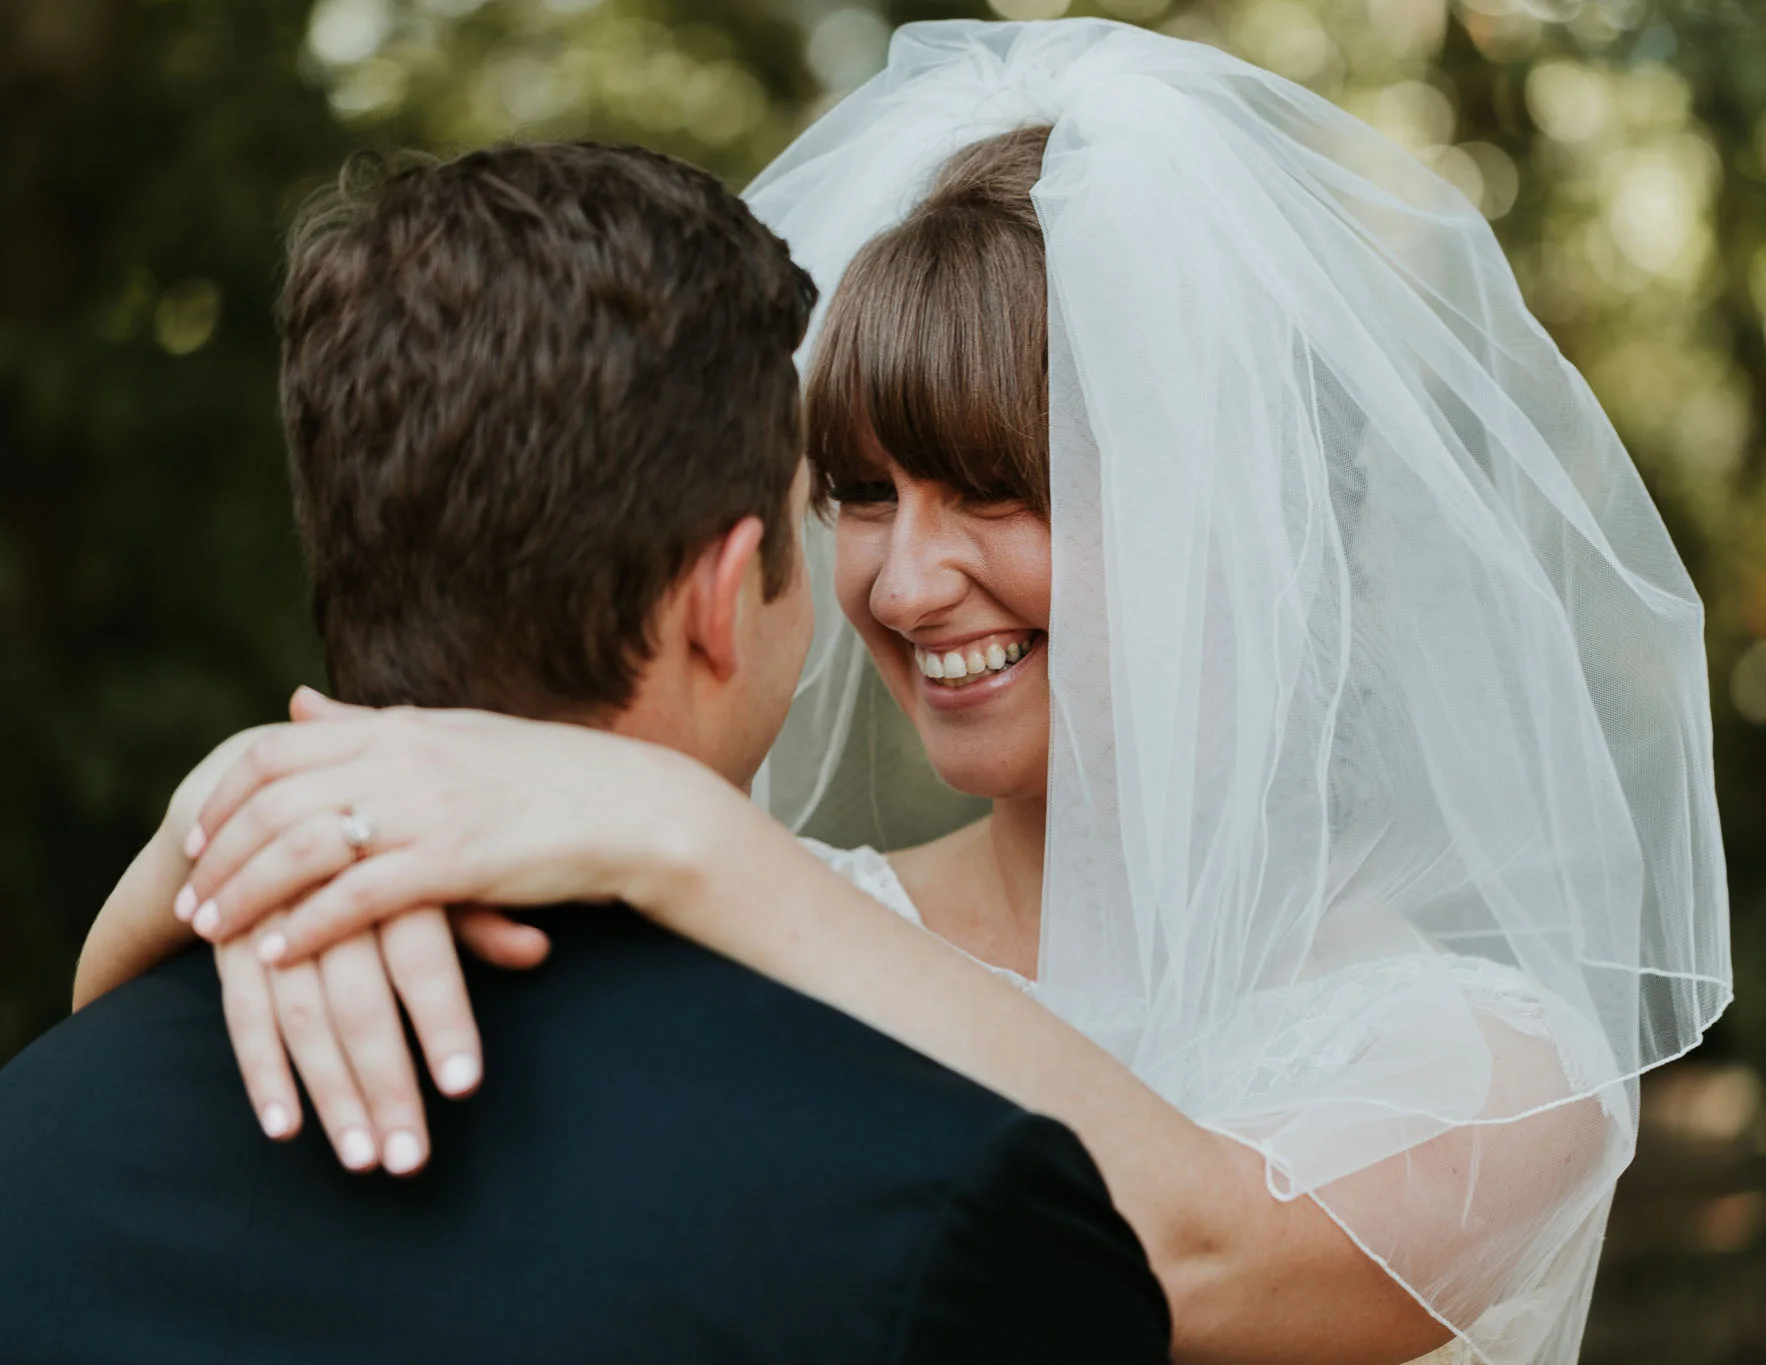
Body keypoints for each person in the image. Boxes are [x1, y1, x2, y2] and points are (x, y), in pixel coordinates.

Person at [78, 18, 1732, 1365]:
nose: (899, 579)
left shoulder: (1496, 1071)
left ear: (1241, 523)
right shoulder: (764, 915)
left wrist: (676, 832)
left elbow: (1183, 1253)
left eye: (992, 489)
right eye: (860, 491)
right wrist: (216, 840)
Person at [0, 139, 1176, 1364]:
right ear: (719, 601)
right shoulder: (941, 1209)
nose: (891, 586)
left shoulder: (37, 1130)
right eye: (826, 500)